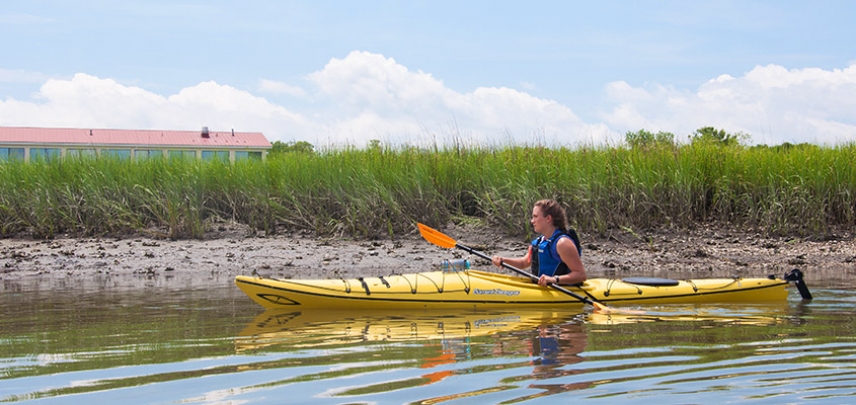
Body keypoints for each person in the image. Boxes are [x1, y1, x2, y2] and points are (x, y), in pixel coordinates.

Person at [491, 199, 587, 287]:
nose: (532, 221)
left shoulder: (563, 243)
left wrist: (554, 279)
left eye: (535, 217)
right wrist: (503, 260)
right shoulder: (540, 241)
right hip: (544, 288)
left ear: (548, 219)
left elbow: (580, 275)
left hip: (563, 291)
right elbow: (523, 263)